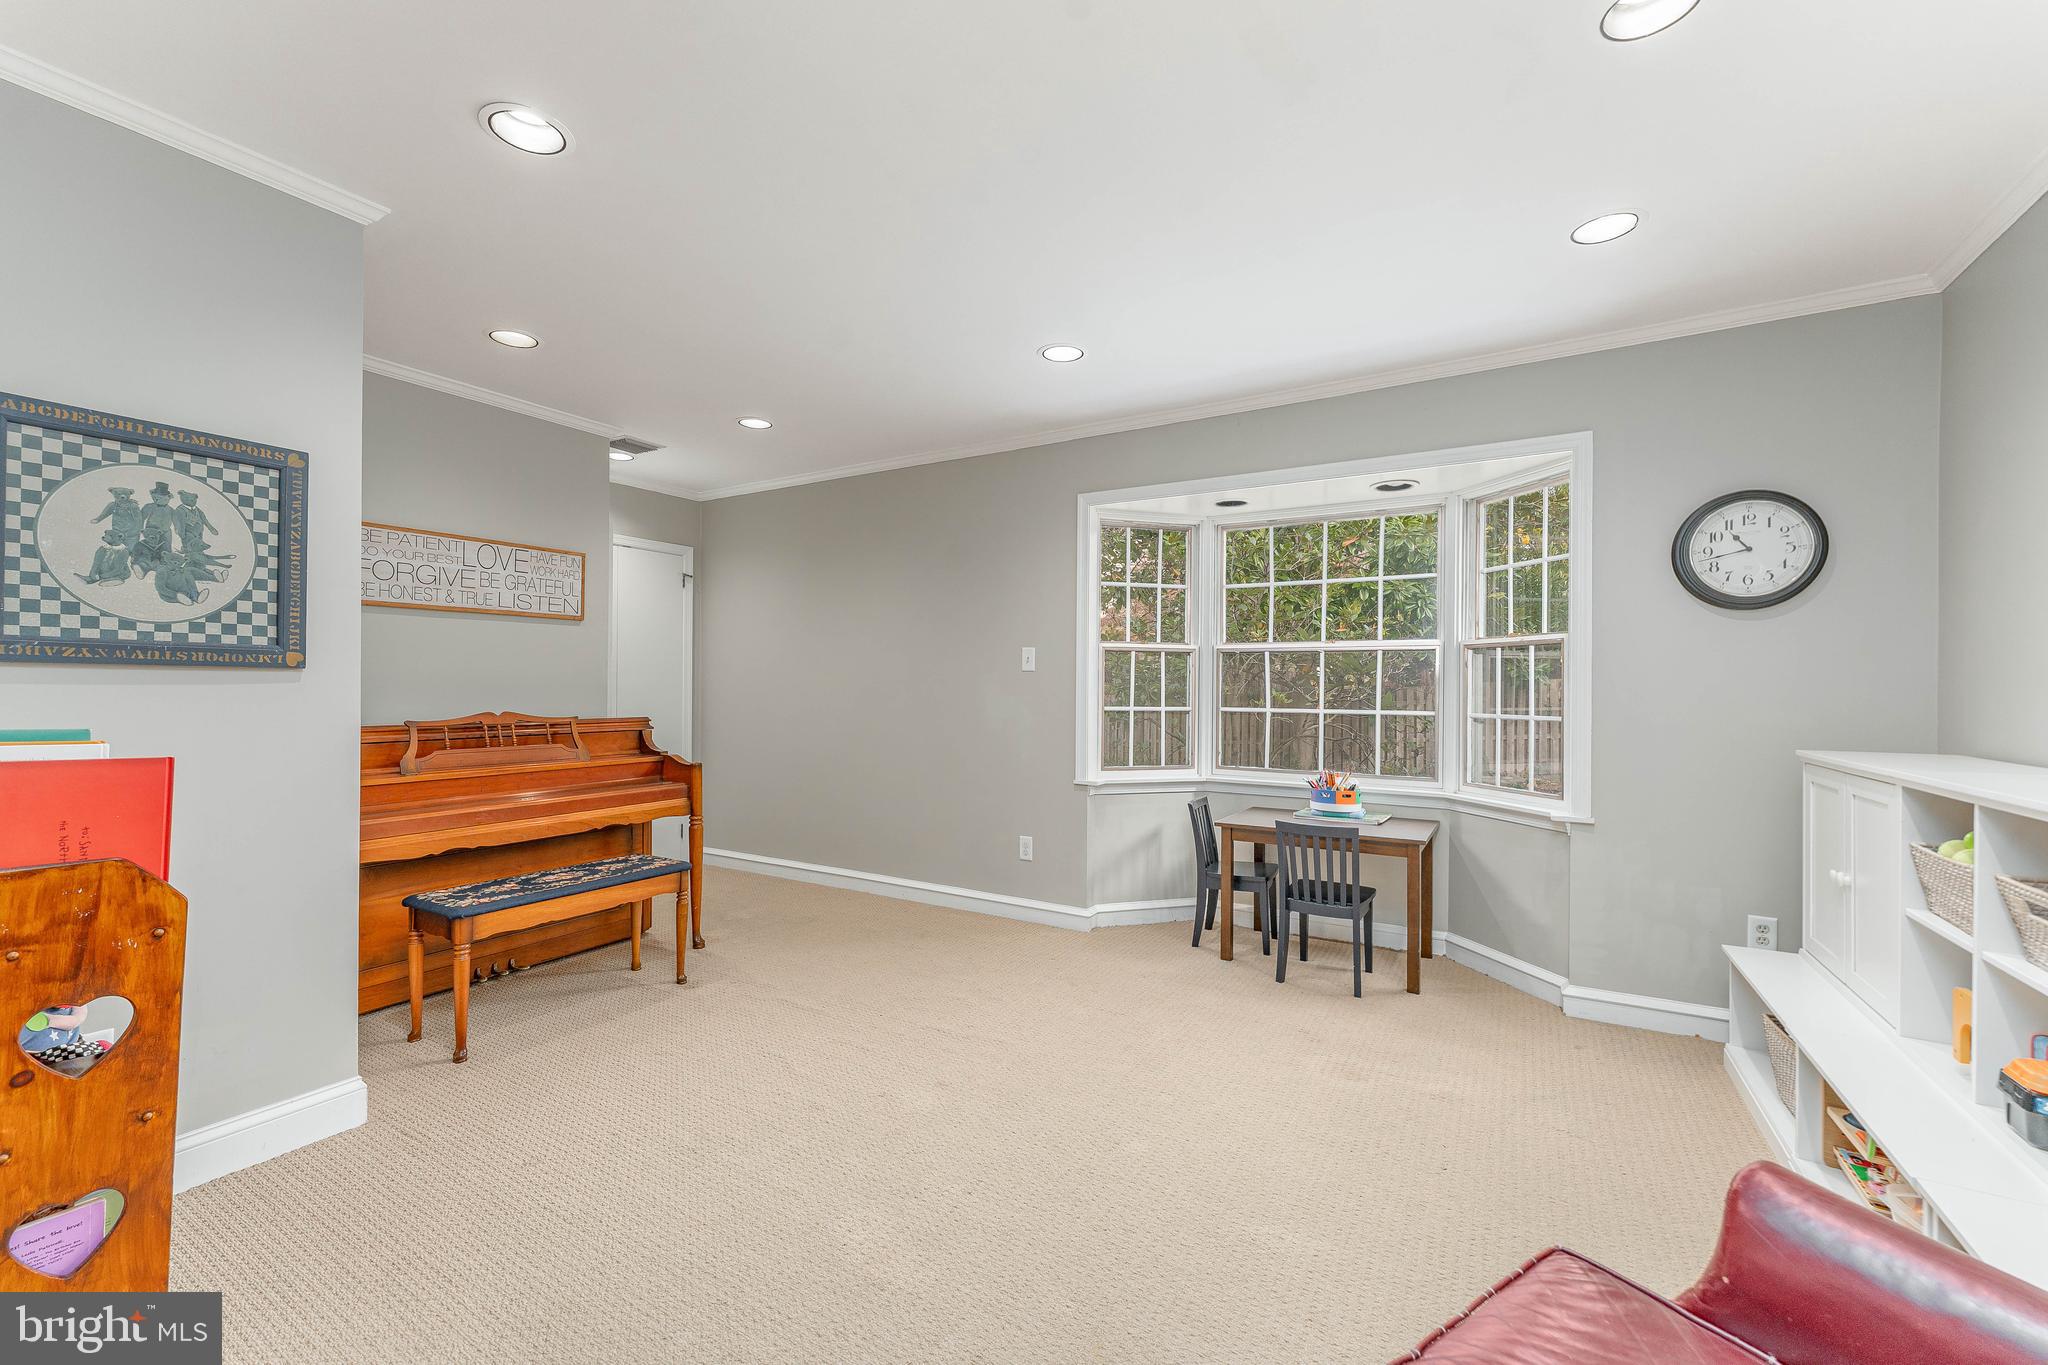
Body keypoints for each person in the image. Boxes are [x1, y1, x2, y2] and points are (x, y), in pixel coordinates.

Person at [173, 489, 232, 578]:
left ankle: (200, 565)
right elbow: (180, 522)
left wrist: (211, 528)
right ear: (183, 499)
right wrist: (182, 533)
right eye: (190, 500)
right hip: (188, 534)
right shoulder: (180, 510)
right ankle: (192, 565)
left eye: (194, 499)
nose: (193, 501)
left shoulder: (197, 509)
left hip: (199, 533)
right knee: (191, 550)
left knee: (199, 549)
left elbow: (204, 519)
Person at [131, 482, 177, 576]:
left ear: (167, 498)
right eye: (155, 497)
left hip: (165, 533)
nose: (156, 499)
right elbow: (141, 518)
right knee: (147, 549)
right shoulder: (149, 506)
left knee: (166, 551)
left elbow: (176, 521)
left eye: (160, 498)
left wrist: (177, 528)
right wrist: (138, 529)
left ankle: (165, 568)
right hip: (151, 532)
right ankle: (142, 566)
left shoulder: (171, 510)